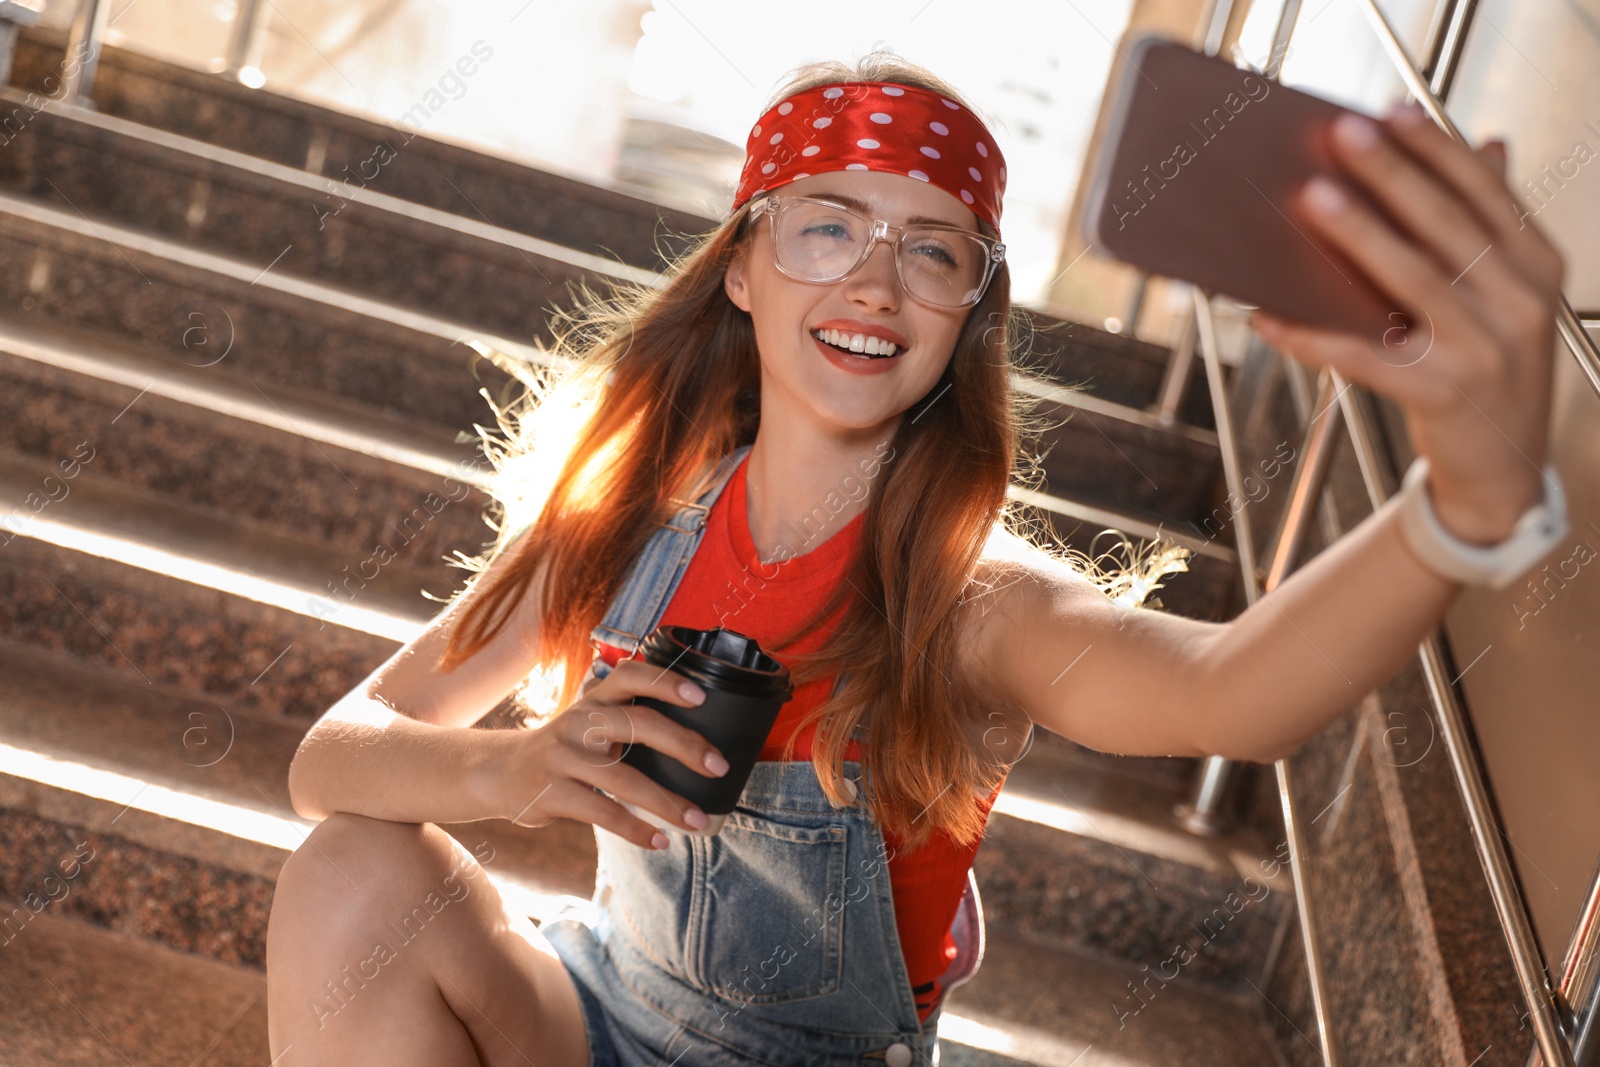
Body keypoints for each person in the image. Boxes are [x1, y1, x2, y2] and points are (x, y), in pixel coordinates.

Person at [265, 47, 1567, 1067]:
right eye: (829, 226)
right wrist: (515, 765)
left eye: (931, 251)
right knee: (355, 869)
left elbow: (1233, 691)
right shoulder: (625, 533)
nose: (877, 282)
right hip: (597, 1019)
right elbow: (334, 756)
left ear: (969, 316)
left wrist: (1465, 497)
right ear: (744, 268)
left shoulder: (972, 607)